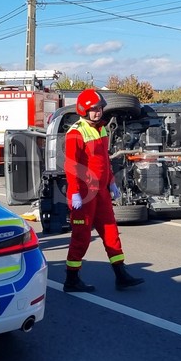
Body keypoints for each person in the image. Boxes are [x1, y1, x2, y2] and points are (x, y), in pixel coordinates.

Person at [63, 89, 144, 293]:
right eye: (94, 110)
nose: (98, 113)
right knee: (81, 237)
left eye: (100, 108)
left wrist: (111, 182)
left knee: (111, 232)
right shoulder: (76, 133)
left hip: (101, 192)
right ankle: (71, 280)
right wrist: (74, 193)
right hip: (83, 194)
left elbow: (104, 161)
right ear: (84, 110)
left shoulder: (101, 129)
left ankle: (120, 274)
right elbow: (71, 165)